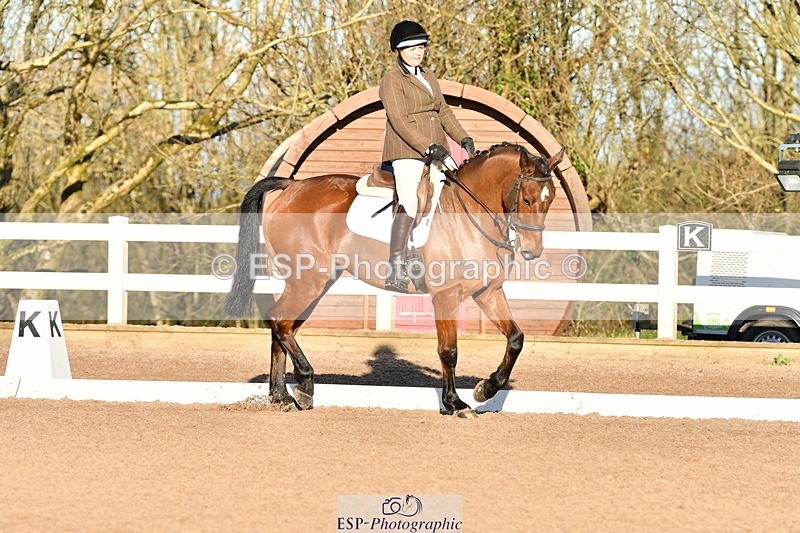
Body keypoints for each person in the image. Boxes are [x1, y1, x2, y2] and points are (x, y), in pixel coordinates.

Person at [379, 19, 476, 292]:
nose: (417, 52)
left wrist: (463, 137)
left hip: (437, 148)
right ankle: (396, 265)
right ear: (398, 50)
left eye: (421, 46)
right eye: (411, 48)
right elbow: (399, 120)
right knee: (410, 199)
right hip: (407, 150)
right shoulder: (392, 80)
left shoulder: (428, 75)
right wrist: (426, 147)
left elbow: (444, 112)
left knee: (456, 189)